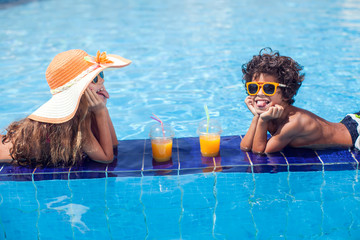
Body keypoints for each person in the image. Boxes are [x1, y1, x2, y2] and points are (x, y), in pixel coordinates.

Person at [0, 49, 131, 166]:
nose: (101, 80)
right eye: (94, 78)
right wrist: (101, 112)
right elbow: (106, 158)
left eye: (101, 75)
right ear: (80, 90)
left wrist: (103, 108)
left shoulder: (84, 113)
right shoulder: (74, 124)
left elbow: (114, 145)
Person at [240, 48, 357, 154]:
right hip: (348, 122)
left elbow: (260, 151)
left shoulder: (294, 122)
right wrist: (257, 117)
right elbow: (245, 147)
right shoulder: (272, 113)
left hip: (356, 135)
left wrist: (262, 120)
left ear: (286, 94)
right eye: (254, 88)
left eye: (269, 88)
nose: (259, 93)